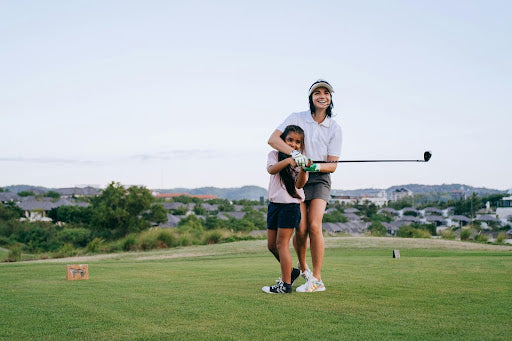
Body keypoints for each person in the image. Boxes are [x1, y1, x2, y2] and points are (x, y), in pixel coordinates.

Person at [268, 79, 342, 293]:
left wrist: (312, 166)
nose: (322, 96)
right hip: (294, 177)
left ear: (330, 98)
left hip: (318, 178)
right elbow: (273, 140)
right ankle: (303, 269)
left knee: (314, 226)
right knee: (300, 230)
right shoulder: (296, 117)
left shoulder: (335, 128)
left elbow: (332, 165)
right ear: (310, 97)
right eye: (317, 92)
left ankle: (317, 279)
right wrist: (296, 155)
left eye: (326, 93)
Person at [262, 125, 310, 294]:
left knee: (282, 244)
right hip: (274, 206)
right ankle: (291, 272)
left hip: (290, 207)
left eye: (298, 142)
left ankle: (285, 284)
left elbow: (300, 184)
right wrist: (290, 160)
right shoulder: (274, 155)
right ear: (282, 141)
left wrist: (304, 169)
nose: (294, 144)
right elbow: (271, 170)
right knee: (271, 245)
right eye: (290, 140)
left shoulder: (301, 161)